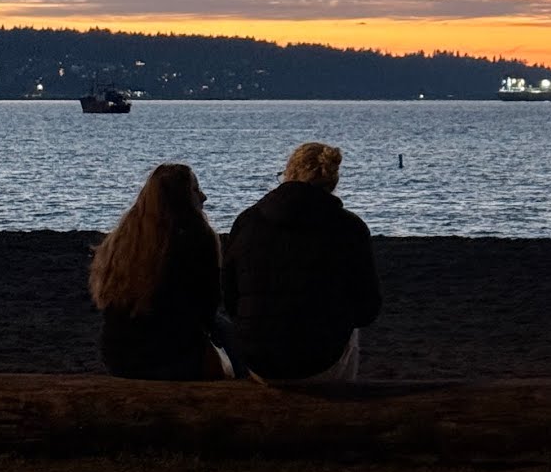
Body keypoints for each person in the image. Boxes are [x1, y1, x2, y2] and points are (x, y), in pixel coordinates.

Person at [225, 142, 382, 382]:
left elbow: (230, 297)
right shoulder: (350, 228)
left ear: (288, 174)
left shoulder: (247, 221)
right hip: (319, 361)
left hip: (258, 359)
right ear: (332, 182)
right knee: (352, 332)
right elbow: (367, 309)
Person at [89, 164, 239, 380]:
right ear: (182, 198)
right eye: (196, 190)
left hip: (117, 357)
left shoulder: (123, 240)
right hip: (171, 358)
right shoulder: (197, 238)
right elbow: (207, 306)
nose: (204, 197)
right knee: (231, 336)